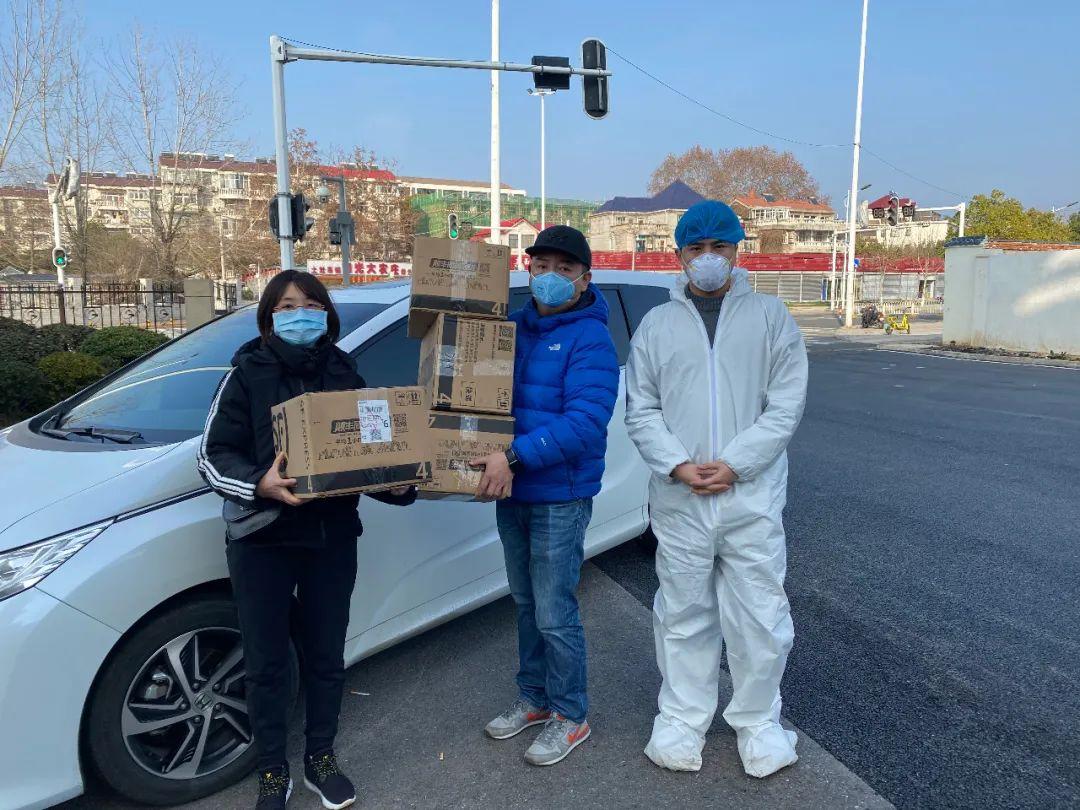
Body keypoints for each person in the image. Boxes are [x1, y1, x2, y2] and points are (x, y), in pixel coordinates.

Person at [198, 270, 415, 810]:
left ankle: (321, 756)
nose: (301, 315)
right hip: (262, 540)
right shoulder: (245, 374)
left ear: (327, 315)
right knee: (266, 662)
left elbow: (368, 456)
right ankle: (273, 769)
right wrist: (259, 484)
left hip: (331, 537)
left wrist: (398, 483)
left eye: (312, 305)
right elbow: (212, 455)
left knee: (325, 655)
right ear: (269, 317)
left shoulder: (345, 374)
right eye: (288, 306)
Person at [624, 201, 809, 778]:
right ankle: (682, 718)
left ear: (736, 250)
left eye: (719, 247)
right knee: (683, 612)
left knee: (759, 615)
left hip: (750, 498)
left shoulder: (771, 318)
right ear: (679, 255)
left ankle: (758, 721)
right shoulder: (657, 325)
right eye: (696, 248)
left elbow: (785, 405)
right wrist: (677, 464)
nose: (708, 259)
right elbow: (641, 408)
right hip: (681, 499)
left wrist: (736, 464)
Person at [471, 225, 619, 766]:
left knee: (555, 610)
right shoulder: (511, 329)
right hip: (513, 489)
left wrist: (512, 457)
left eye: (564, 268)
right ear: (527, 269)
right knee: (526, 602)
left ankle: (571, 715)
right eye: (541, 266)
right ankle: (534, 698)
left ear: (584, 278)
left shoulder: (591, 340)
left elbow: (586, 422)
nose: (550, 276)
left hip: (560, 493)